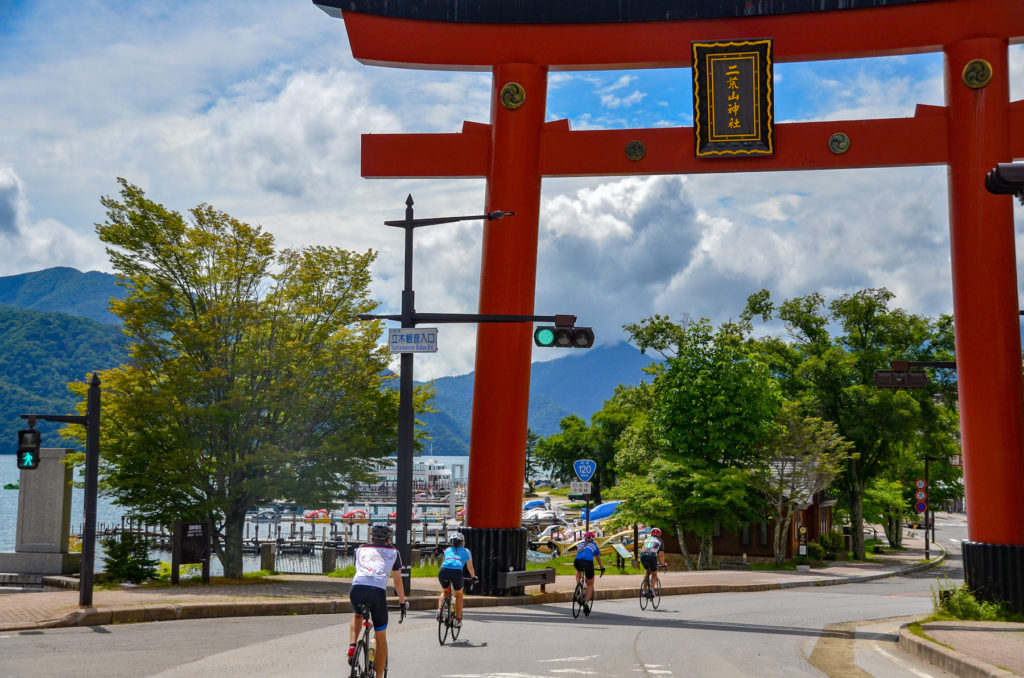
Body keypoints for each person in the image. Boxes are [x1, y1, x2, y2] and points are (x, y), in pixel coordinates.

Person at [348, 524, 408, 678]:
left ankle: (353, 645)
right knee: (380, 636)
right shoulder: (394, 552)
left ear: (371, 538)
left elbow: (360, 569)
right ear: (389, 539)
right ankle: (380, 676)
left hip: (356, 589)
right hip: (376, 592)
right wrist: (402, 603)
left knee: (357, 615)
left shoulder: (360, 549)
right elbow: (397, 582)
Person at [436, 532, 476, 628]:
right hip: (456, 572)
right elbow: (470, 568)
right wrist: (474, 577)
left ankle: (439, 610)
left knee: (446, 591)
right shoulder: (467, 551)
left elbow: (448, 562)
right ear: (462, 542)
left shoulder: (447, 550)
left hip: (443, 571)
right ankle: (458, 620)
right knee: (459, 595)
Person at [573, 531, 605, 614]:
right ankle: (586, 603)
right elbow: (598, 559)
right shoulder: (594, 546)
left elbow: (581, 554)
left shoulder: (580, 544)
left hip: (577, 562)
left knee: (578, 570)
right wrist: (602, 568)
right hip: (588, 564)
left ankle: (578, 585)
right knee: (590, 583)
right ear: (593, 539)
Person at [640, 527, 667, 595]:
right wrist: (663, 563)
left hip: (642, 556)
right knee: (654, 574)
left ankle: (643, 591)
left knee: (647, 573)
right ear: (659, 534)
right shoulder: (660, 540)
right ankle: (652, 590)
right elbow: (661, 554)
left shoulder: (646, 539)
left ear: (651, 533)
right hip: (651, 556)